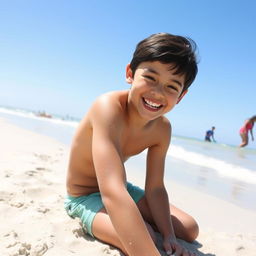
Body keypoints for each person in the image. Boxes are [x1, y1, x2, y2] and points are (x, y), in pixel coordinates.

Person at [65, 33, 199, 256]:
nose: (157, 93)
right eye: (151, 78)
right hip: (85, 195)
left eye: (172, 87)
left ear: (181, 96)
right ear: (130, 73)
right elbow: (112, 191)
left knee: (189, 229)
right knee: (143, 234)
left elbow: (155, 187)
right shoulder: (108, 107)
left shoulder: (162, 129)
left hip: (122, 189)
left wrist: (169, 236)